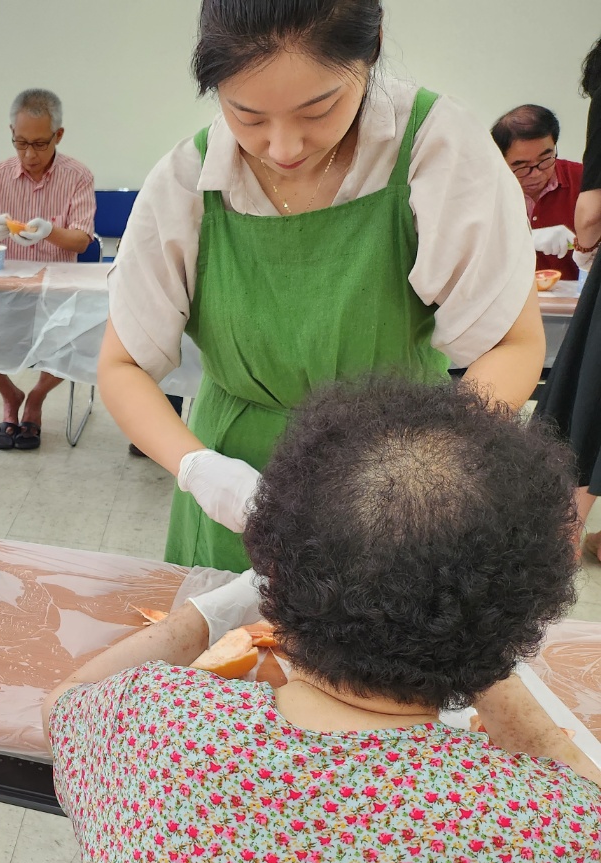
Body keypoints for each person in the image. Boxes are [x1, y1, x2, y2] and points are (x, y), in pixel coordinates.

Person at [41, 376, 601, 863]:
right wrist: (483, 652)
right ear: (527, 610)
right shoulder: (568, 827)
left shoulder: (155, 722)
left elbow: (62, 706)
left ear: (279, 561)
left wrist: (224, 605)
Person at [99, 0, 544, 574]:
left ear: (373, 47)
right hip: (238, 487)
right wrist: (199, 469)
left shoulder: (434, 148)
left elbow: (512, 342)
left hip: (395, 478)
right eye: (248, 116)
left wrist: (431, 463)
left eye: (320, 108)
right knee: (226, 654)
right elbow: (121, 365)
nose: (283, 149)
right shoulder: (188, 181)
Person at [0, 87, 96, 451]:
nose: (29, 154)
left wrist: (51, 232)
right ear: (11, 132)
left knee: (74, 345)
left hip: (58, 286)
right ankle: (10, 394)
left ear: (58, 135)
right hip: (4, 284)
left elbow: (82, 239)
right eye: (19, 142)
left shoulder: (78, 176)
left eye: (39, 144)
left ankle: (36, 399)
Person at [536, 38, 601, 555]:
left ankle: (556, 547)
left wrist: (584, 241)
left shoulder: (576, 178)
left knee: (585, 412)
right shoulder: (496, 189)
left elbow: (591, 217)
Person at [492, 104, 587, 280]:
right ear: (500, 159)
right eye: (521, 166)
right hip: (504, 302)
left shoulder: (584, 181)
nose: (536, 174)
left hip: (573, 301)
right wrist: (526, 238)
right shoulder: (485, 189)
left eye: (544, 159)